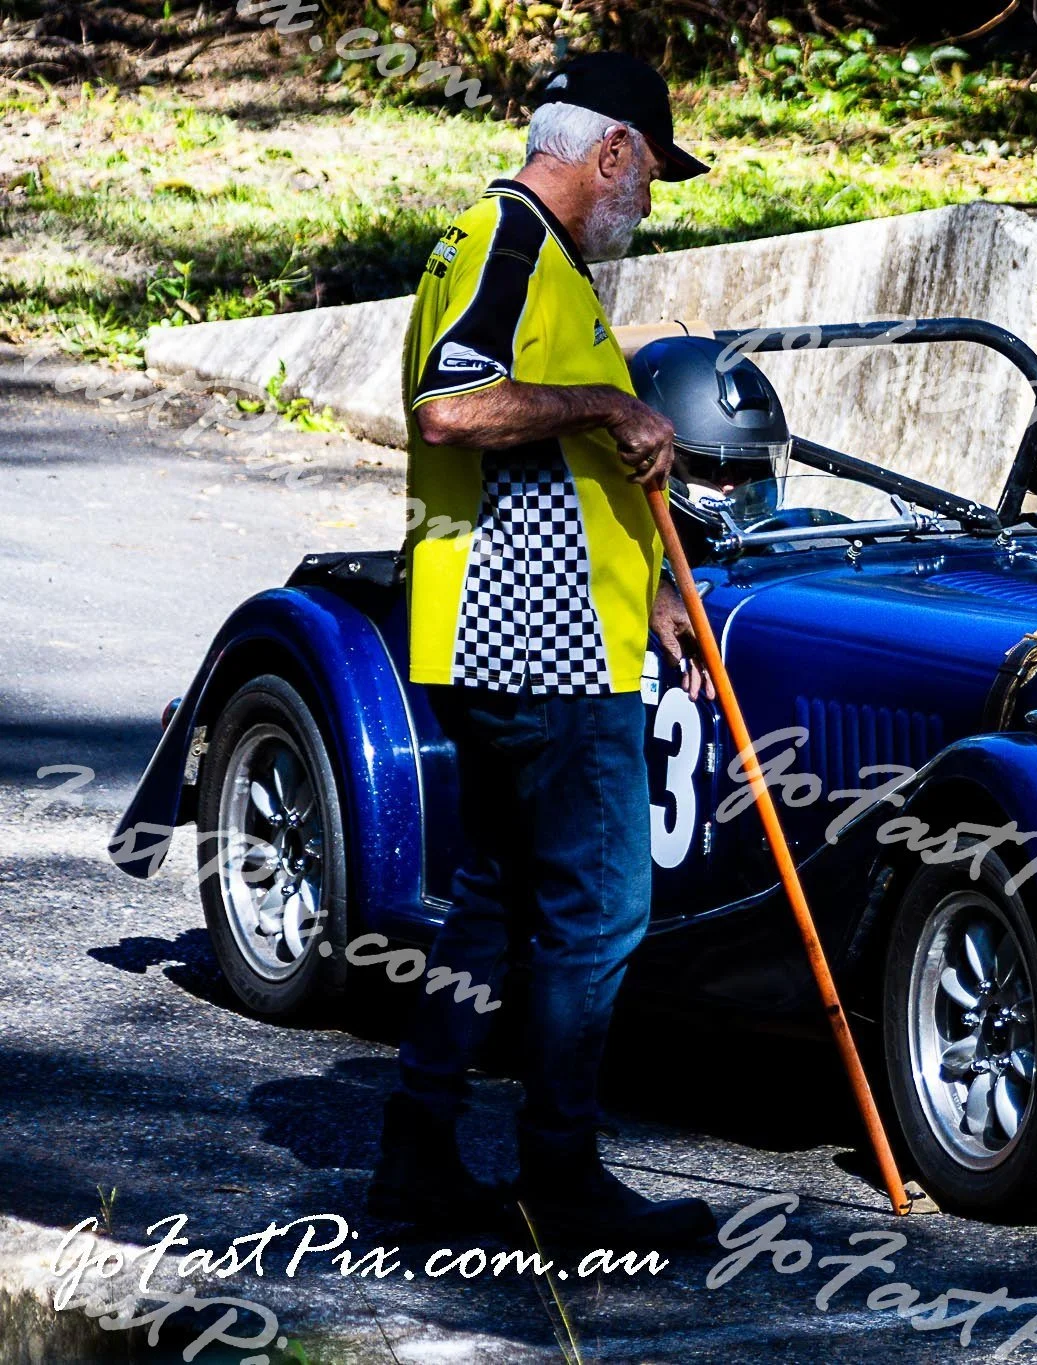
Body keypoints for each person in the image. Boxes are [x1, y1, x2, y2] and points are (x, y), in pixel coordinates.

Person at [369, 51, 717, 1245]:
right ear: (612, 149)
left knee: (492, 903)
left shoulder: (524, 253)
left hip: (516, 630)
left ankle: (417, 1158)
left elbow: (544, 465)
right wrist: (611, 405)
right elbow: (450, 406)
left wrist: (657, 596)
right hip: (537, 641)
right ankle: (559, 1177)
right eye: (654, 172)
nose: (652, 201)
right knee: (600, 911)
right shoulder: (511, 241)